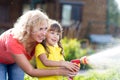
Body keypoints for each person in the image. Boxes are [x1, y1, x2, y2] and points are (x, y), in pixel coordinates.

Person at [0, 9, 80, 80]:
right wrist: (60, 71)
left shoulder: (39, 39)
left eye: (45, 28)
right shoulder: (13, 41)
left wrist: (67, 67)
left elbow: (52, 56)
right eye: (40, 29)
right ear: (28, 29)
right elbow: (31, 71)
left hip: (16, 61)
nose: (44, 33)